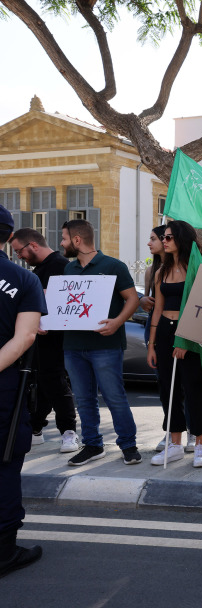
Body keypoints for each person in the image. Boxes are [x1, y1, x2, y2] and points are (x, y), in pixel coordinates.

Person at [60, 220, 142, 466]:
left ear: (76, 240)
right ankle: (93, 445)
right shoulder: (68, 270)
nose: (61, 244)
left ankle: (128, 446)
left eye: (64, 239)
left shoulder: (113, 266)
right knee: (83, 398)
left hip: (106, 345)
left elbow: (132, 299)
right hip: (73, 345)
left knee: (114, 396)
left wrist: (117, 322)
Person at [0, 205, 46, 579]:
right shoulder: (24, 280)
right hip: (4, 387)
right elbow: (25, 337)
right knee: (4, 465)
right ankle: (3, 552)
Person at [147, 221, 202, 467]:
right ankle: (174, 443)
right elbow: (157, 311)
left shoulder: (198, 268)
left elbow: (201, 308)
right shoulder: (161, 271)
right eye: (163, 237)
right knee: (168, 388)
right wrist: (152, 345)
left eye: (169, 237)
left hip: (190, 334)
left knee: (195, 389)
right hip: (165, 331)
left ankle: (200, 445)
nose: (164, 240)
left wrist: (186, 339)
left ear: (181, 239)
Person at [8, 228, 79, 454]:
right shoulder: (38, 270)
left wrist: (47, 324)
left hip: (55, 339)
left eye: (19, 251)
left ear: (33, 245)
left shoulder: (60, 267)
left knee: (55, 383)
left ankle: (68, 431)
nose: (19, 256)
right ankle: (36, 428)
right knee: (42, 384)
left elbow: (67, 305)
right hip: (37, 339)